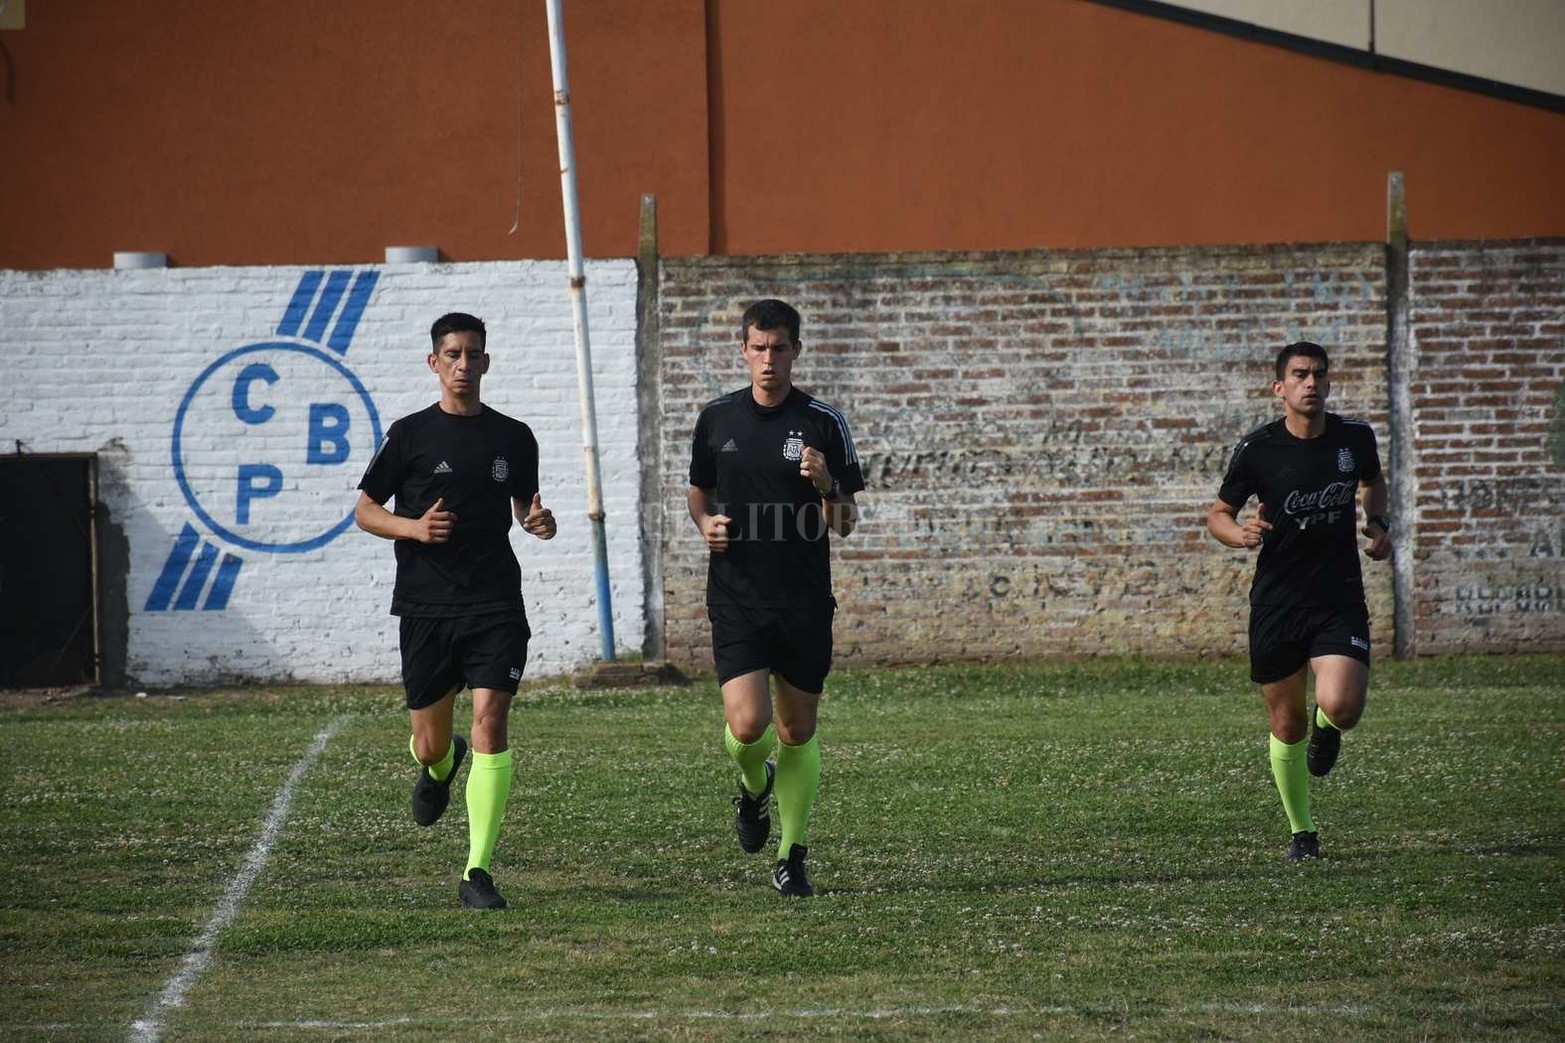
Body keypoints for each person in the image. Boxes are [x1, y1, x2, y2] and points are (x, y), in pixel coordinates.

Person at [354, 312, 556, 910]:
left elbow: (528, 509)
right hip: (426, 605)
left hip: (495, 601)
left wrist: (539, 523)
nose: (463, 365)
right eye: (453, 354)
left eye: (473, 354)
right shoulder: (410, 434)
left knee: (491, 722)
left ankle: (477, 872)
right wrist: (413, 528)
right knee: (429, 742)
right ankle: (440, 769)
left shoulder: (515, 437)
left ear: (487, 362)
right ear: (434, 362)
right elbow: (365, 510)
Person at [687, 298, 864, 897]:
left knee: (796, 730)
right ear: (743, 350)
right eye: (758, 348)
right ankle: (753, 785)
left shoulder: (824, 422)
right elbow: (698, 492)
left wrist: (827, 484)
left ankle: (793, 855)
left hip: (804, 600)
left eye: (779, 348)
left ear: (796, 351)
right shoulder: (715, 420)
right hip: (736, 596)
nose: (768, 359)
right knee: (748, 722)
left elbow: (844, 523)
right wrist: (705, 523)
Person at [1206, 341, 1391, 863]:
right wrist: (1238, 534)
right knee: (1286, 723)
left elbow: (1374, 484)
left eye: (1320, 375)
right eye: (1301, 375)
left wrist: (1379, 524)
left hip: (1338, 597)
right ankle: (1302, 833)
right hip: (1278, 603)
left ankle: (1327, 729)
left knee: (1343, 707)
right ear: (1280, 388)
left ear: (1329, 384)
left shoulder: (1355, 438)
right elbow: (1218, 513)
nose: (1312, 383)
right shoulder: (1258, 449)